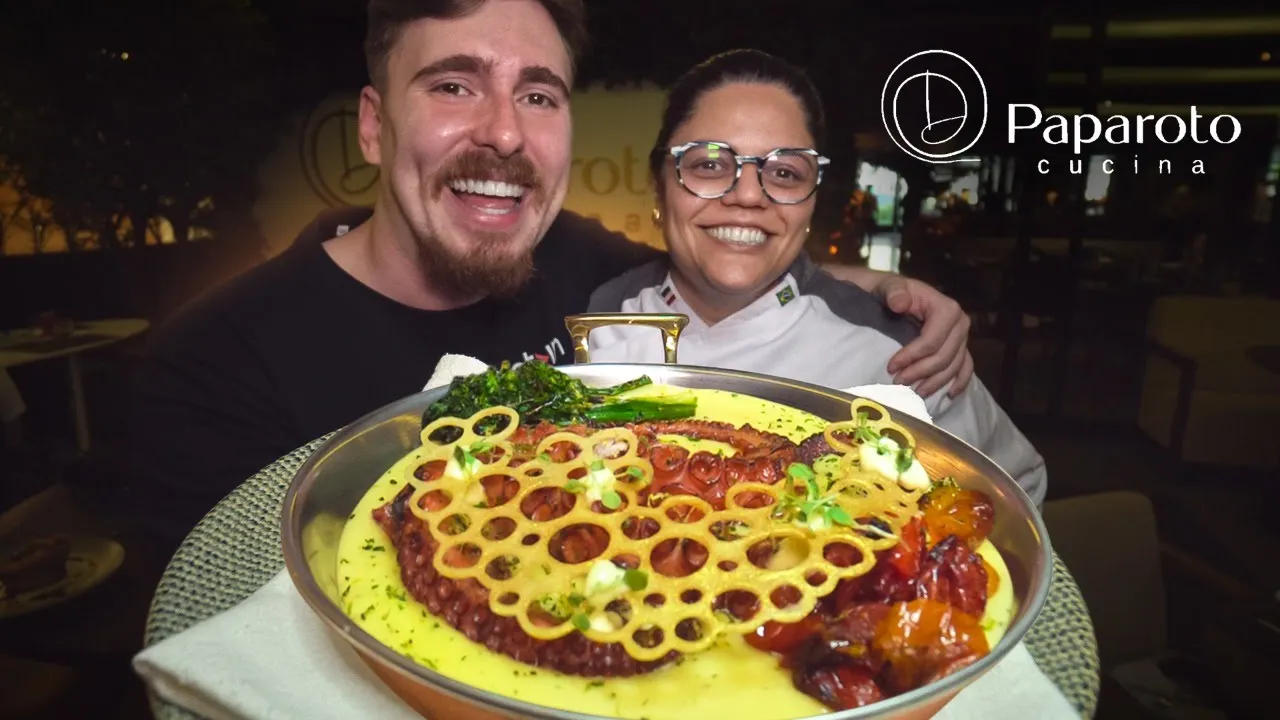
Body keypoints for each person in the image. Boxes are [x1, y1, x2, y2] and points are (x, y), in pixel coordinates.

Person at [126, 0, 977, 550]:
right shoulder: (213, 370)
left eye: (538, 96)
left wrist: (866, 289)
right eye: (454, 85)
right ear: (374, 126)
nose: (504, 133)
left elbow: (720, 260)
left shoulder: (583, 267)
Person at [584, 49, 1046, 507]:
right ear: (660, 183)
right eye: (709, 164)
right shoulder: (603, 310)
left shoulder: (895, 349)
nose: (748, 195)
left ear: (810, 202)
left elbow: (1017, 487)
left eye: (784, 172)